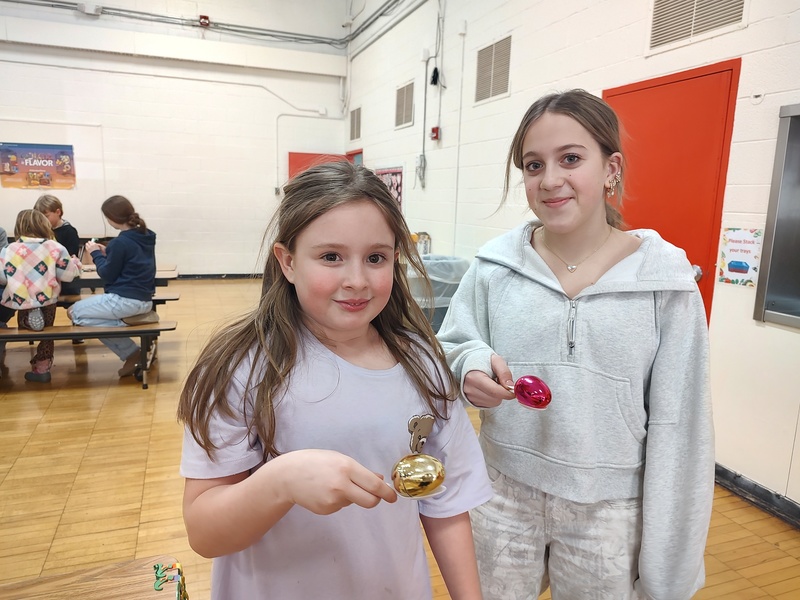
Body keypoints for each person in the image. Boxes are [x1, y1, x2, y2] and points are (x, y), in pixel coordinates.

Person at [437, 89, 715, 600]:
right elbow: (453, 342)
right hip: (501, 492)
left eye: (570, 159)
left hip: (610, 511)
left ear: (611, 168)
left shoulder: (665, 284)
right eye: (533, 164)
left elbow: (682, 428)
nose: (549, 180)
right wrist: (470, 364)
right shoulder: (495, 267)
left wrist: (669, 567)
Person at [177, 161, 492, 599]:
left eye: (376, 258)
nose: (357, 281)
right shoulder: (243, 367)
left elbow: (447, 502)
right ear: (288, 262)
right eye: (331, 257)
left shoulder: (423, 364)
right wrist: (280, 482)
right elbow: (204, 534)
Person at [68, 195, 157, 377]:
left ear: (112, 218)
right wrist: (108, 251)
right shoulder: (145, 235)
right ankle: (131, 351)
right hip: (144, 299)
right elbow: (131, 260)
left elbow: (107, 274)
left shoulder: (120, 242)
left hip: (125, 300)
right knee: (87, 317)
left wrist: (95, 254)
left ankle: (131, 351)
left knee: (74, 313)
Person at [0, 210, 81, 382]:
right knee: (47, 331)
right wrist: (75, 264)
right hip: (48, 298)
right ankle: (42, 369)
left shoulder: (9, 249)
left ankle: (28, 318)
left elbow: (2, 277)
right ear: (44, 224)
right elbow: (67, 276)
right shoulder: (55, 247)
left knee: (25, 325)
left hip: (21, 298)